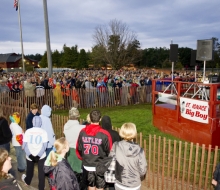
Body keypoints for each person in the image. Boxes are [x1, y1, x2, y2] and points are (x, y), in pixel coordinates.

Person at [76, 110, 112, 190]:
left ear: (90, 118)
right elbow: (110, 150)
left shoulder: (82, 132)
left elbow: (78, 148)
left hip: (88, 164)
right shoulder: (105, 133)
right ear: (100, 119)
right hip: (100, 165)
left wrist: (84, 158)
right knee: (100, 187)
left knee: (91, 185)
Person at [109, 123, 147, 190]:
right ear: (134, 133)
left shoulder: (116, 146)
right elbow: (143, 170)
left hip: (120, 183)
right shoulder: (140, 150)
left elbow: (110, 161)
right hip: (134, 185)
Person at [22, 116, 48, 190]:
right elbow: (44, 146)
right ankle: (41, 187)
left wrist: (30, 155)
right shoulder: (44, 132)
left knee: (29, 170)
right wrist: (39, 155)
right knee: (41, 172)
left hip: (29, 155)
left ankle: (27, 181)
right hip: (41, 156)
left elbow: (24, 145)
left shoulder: (28, 131)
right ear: (40, 123)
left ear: (32, 122)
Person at [63, 107, 85, 189]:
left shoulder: (66, 126)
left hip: (69, 150)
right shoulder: (81, 128)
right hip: (77, 150)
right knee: (79, 170)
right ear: (77, 117)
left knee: (71, 168)